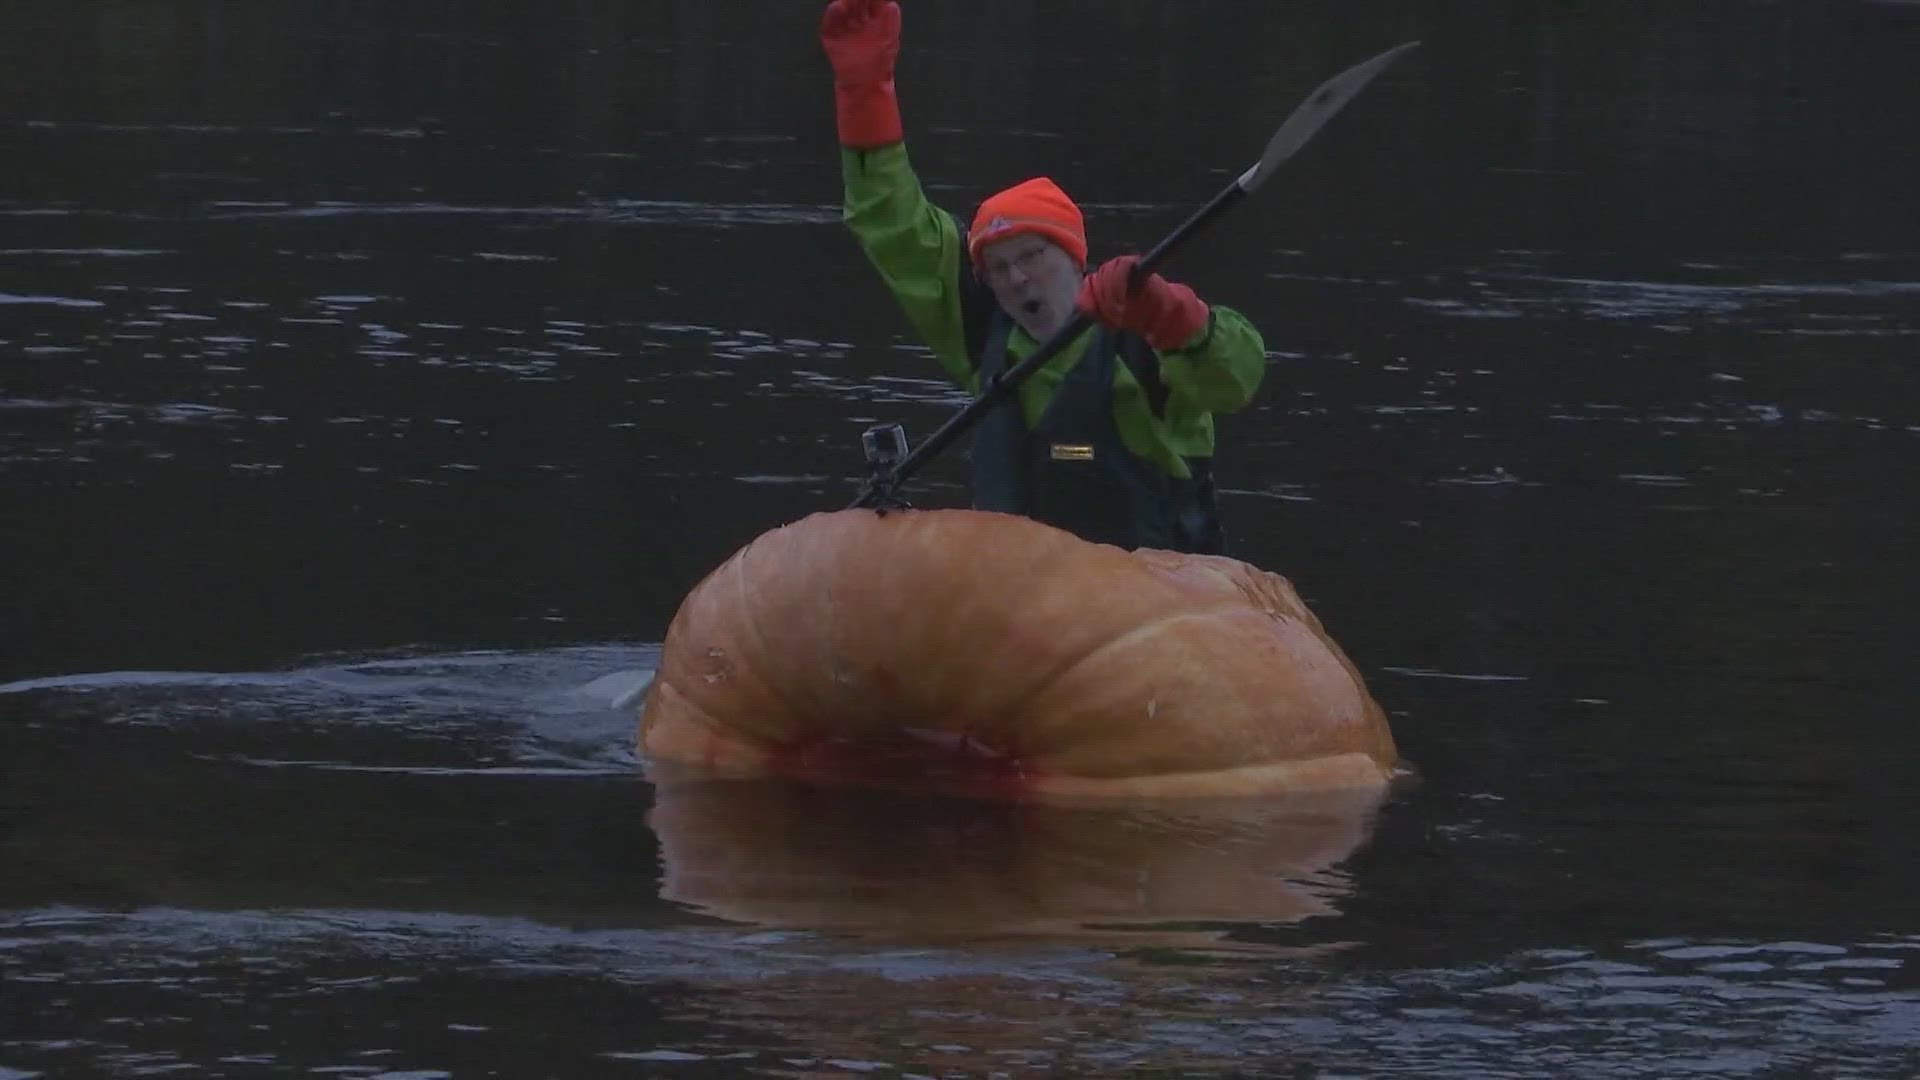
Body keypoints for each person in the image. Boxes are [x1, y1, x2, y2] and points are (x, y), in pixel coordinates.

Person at [820, 0, 1267, 554]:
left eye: (1032, 256)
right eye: (999, 268)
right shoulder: (982, 332)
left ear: (1075, 258)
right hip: (1021, 606)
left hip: (1155, 605)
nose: (1017, 279)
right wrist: (864, 95)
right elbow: (891, 224)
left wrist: (1172, 315)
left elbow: (1237, 377)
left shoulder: (1144, 336)